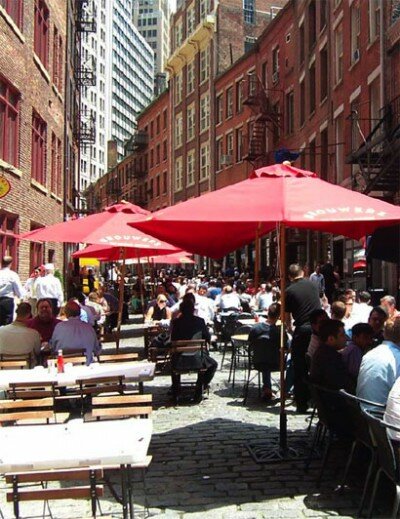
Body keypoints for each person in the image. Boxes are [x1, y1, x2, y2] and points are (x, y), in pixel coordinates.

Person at [285, 264, 321, 413]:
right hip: (318, 329)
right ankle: (316, 400)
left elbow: (286, 315)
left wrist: (289, 328)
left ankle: (301, 403)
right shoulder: (313, 285)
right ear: (303, 272)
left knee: (299, 366)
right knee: (316, 364)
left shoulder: (289, 290)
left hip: (302, 329)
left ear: (289, 276)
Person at [170, 295, 218, 401]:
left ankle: (176, 389)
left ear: (181, 310)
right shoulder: (200, 321)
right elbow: (207, 337)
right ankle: (201, 387)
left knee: (173, 357)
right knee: (213, 364)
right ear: (193, 310)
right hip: (198, 360)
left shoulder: (176, 323)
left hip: (179, 360)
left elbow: (173, 339)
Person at [357, 316, 400, 408]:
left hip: (361, 413)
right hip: (382, 417)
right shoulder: (397, 359)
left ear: (384, 334)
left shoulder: (370, 354)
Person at [248, 303, 285, 400]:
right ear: (279, 315)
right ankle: (286, 389)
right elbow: (286, 347)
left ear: (267, 313)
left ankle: (267, 389)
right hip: (277, 363)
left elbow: (250, 342)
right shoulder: (280, 332)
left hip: (257, 361)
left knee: (265, 357)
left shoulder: (255, 328)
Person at [310, 319, 353, 392]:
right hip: (335, 399)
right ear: (331, 339)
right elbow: (342, 383)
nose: (346, 338)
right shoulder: (329, 358)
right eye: (342, 335)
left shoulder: (322, 352)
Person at [0, 255, 24, 326]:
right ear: (10, 264)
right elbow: (18, 290)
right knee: (6, 323)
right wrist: (21, 297)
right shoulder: (13, 275)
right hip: (7, 301)